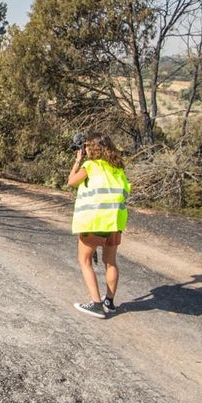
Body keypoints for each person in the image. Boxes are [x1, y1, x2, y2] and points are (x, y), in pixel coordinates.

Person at [66, 132, 130, 319]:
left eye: (86, 146)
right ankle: (109, 302)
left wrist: (78, 161)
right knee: (110, 262)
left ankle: (95, 304)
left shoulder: (90, 166)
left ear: (91, 148)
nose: (84, 149)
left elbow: (71, 182)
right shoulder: (117, 168)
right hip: (115, 222)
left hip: (94, 221)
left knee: (85, 262)